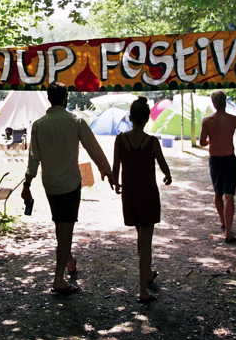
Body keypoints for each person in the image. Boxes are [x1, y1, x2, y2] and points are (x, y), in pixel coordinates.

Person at [21, 82, 114, 295]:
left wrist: (28, 182)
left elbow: (33, 157)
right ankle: (58, 279)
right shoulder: (76, 121)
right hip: (71, 183)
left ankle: (70, 261)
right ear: (65, 98)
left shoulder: (38, 125)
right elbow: (93, 147)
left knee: (59, 224)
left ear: (49, 98)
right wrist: (106, 170)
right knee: (66, 228)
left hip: (50, 184)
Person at [111, 97, 172, 304]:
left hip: (130, 195)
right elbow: (163, 165)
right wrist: (167, 175)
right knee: (146, 242)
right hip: (148, 195)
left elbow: (115, 168)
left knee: (141, 237)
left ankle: (148, 273)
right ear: (147, 119)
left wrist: (116, 183)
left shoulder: (120, 140)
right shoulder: (152, 141)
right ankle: (143, 291)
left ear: (131, 118)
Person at [199, 90, 236, 244]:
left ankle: (222, 221)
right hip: (229, 159)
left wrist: (211, 141)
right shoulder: (233, 119)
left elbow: (202, 142)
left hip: (215, 160)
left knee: (218, 193)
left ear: (213, 103)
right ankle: (228, 233)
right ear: (225, 102)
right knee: (229, 195)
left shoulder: (207, 121)